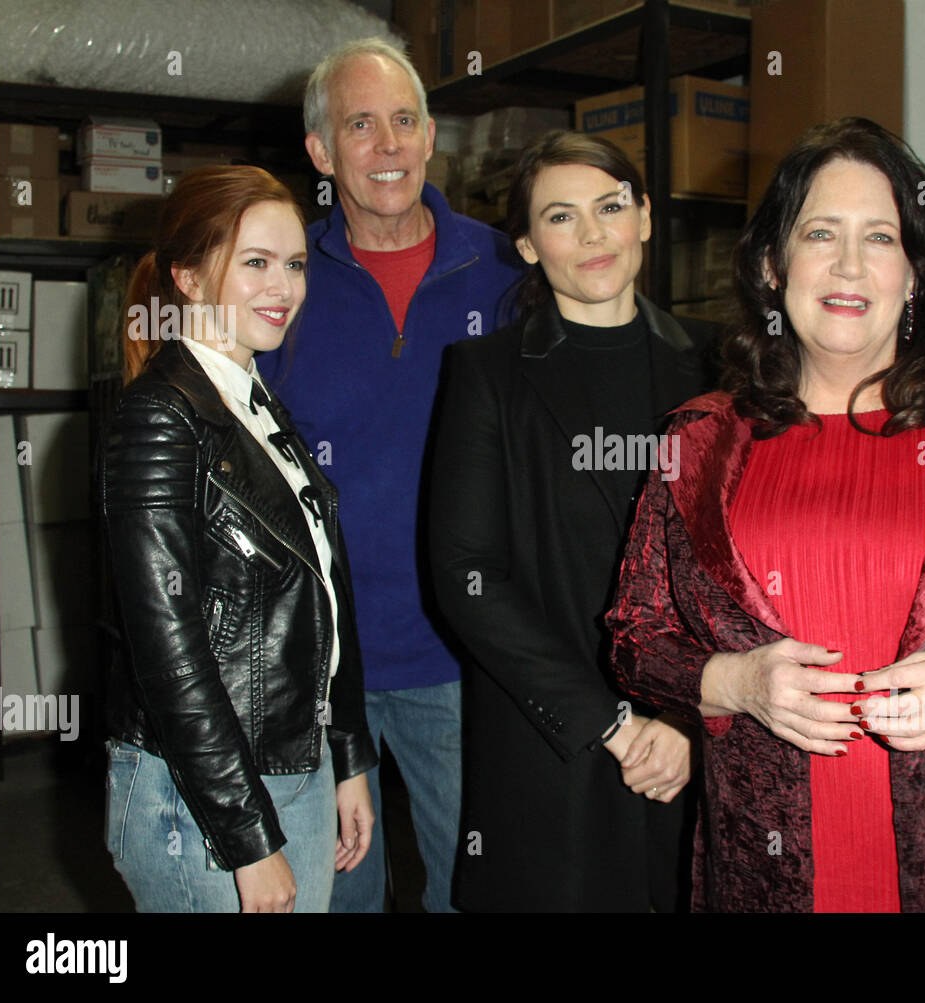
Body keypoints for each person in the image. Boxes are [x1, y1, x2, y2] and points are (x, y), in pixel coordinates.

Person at [607, 117, 925, 912]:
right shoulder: (698, 447)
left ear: (913, 273)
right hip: (769, 868)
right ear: (775, 264)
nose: (850, 264)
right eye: (822, 232)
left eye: (881, 237)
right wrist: (736, 680)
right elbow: (636, 637)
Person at [254, 38, 525, 913]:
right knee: (340, 898)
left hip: (461, 655)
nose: (388, 146)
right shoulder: (284, 283)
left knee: (471, 886)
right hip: (324, 669)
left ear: (432, 135)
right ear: (322, 153)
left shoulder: (505, 271)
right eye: (360, 126)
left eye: (404, 121)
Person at [428, 131, 710, 911]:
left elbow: (744, 569)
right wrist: (613, 724)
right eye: (560, 216)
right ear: (525, 243)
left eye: (610, 207)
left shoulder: (721, 367)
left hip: (695, 744)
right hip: (551, 745)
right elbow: (467, 575)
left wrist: (688, 712)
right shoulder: (486, 374)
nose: (592, 235)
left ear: (644, 217)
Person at [102, 165, 377, 912]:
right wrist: (247, 835)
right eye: (255, 262)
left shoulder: (254, 402)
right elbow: (168, 650)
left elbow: (327, 590)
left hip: (295, 760)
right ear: (188, 276)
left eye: (293, 263)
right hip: (201, 793)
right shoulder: (162, 417)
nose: (282, 286)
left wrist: (347, 756)